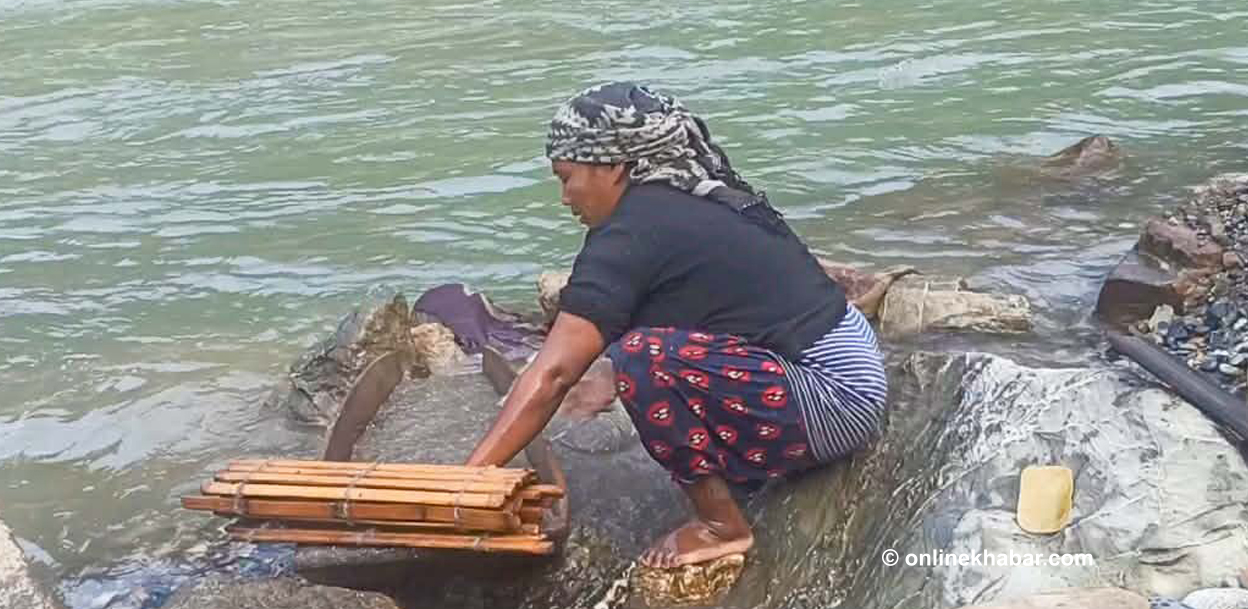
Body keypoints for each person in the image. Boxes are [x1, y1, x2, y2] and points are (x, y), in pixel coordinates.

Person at [465, 82, 888, 569]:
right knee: (626, 353)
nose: (564, 198)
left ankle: (721, 527)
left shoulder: (633, 232)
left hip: (835, 400)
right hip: (849, 365)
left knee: (642, 359)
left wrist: (470, 478)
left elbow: (556, 373)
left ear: (614, 167)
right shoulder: (689, 196)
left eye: (567, 178)